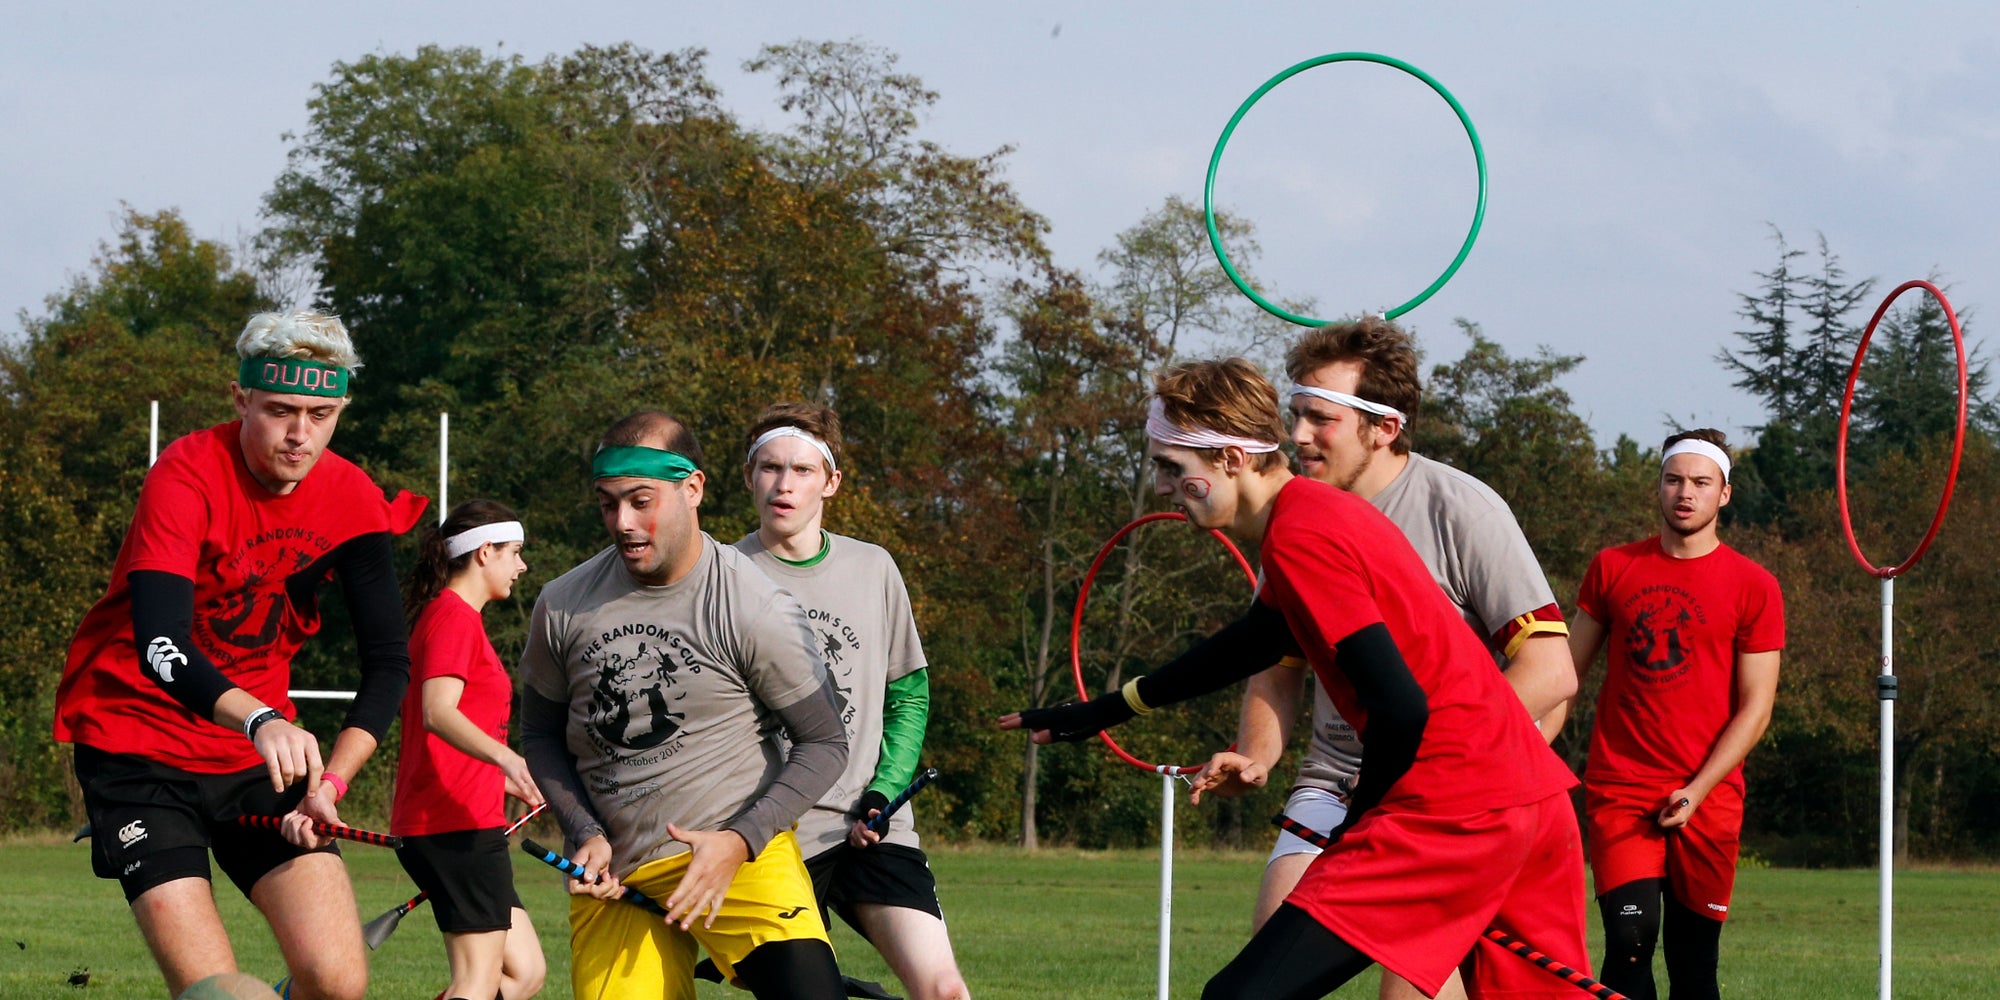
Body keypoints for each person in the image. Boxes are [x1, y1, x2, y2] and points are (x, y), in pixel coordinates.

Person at [1002, 358, 1588, 1000]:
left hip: (1454, 809)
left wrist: (1362, 820)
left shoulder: (1303, 534)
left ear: (1229, 458)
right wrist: (1110, 708)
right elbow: (1254, 641)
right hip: (1532, 801)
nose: (1165, 488)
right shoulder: (1309, 518)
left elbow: (1401, 707)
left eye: (1174, 470)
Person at [1190, 318, 1575, 1000]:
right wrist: (1257, 755)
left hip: (1445, 799)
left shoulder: (1463, 509)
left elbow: (1551, 672)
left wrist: (1447, 771)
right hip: (1338, 782)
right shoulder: (1294, 518)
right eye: (1296, 414)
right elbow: (1278, 666)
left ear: (1385, 427)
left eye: (1320, 419)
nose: (1299, 435)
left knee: (1413, 988)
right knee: (1272, 952)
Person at [53, 310, 427, 999]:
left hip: (255, 764)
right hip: (137, 748)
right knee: (222, 993)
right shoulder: (186, 474)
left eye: (321, 413)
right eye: (281, 410)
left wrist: (331, 785)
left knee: (338, 981)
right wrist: (260, 719)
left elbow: (389, 664)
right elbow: (160, 642)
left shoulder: (351, 498)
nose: (299, 434)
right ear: (240, 399)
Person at [518, 410, 850, 1000]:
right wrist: (582, 828)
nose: (622, 522)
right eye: (607, 503)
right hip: (613, 875)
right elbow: (541, 735)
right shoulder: (563, 603)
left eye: (641, 501)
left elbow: (825, 743)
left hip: (738, 855)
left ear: (692, 488)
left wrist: (741, 840)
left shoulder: (754, 605)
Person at [728, 402, 971, 1000]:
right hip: (770, 840)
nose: (784, 485)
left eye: (803, 470)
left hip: (871, 825)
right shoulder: (721, 574)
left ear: (831, 482)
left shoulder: (874, 568)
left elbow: (909, 698)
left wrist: (885, 794)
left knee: (944, 989)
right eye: (770, 468)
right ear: (748, 476)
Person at [1569, 429, 1783, 1000]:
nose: (1684, 493)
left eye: (1700, 483)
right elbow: (1562, 677)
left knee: (1694, 964)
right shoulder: (1612, 567)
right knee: (1630, 940)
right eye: (1673, 480)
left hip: (1710, 798)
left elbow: (1756, 708)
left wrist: (1698, 788)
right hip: (1622, 788)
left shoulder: (1755, 586)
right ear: (1658, 488)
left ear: (1724, 495)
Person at [392, 499, 548, 1000]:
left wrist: (507, 779)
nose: (522, 566)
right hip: (450, 824)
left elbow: (454, 736)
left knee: (523, 974)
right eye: (515, 552)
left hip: (465, 816)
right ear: (485, 552)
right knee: (476, 981)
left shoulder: (455, 619)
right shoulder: (452, 618)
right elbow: (438, 712)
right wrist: (507, 758)